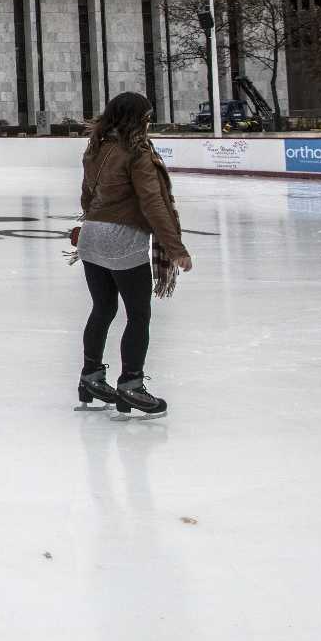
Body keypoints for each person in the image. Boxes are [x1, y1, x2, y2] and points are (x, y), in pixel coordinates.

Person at [74, 91, 192, 418]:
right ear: (138, 118)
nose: (149, 120)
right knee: (139, 314)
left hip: (92, 235)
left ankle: (91, 377)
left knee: (103, 307)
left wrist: (96, 219)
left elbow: (86, 196)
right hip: (121, 240)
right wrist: (175, 247)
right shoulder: (137, 152)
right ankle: (130, 384)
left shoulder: (95, 148)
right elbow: (152, 202)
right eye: (147, 115)